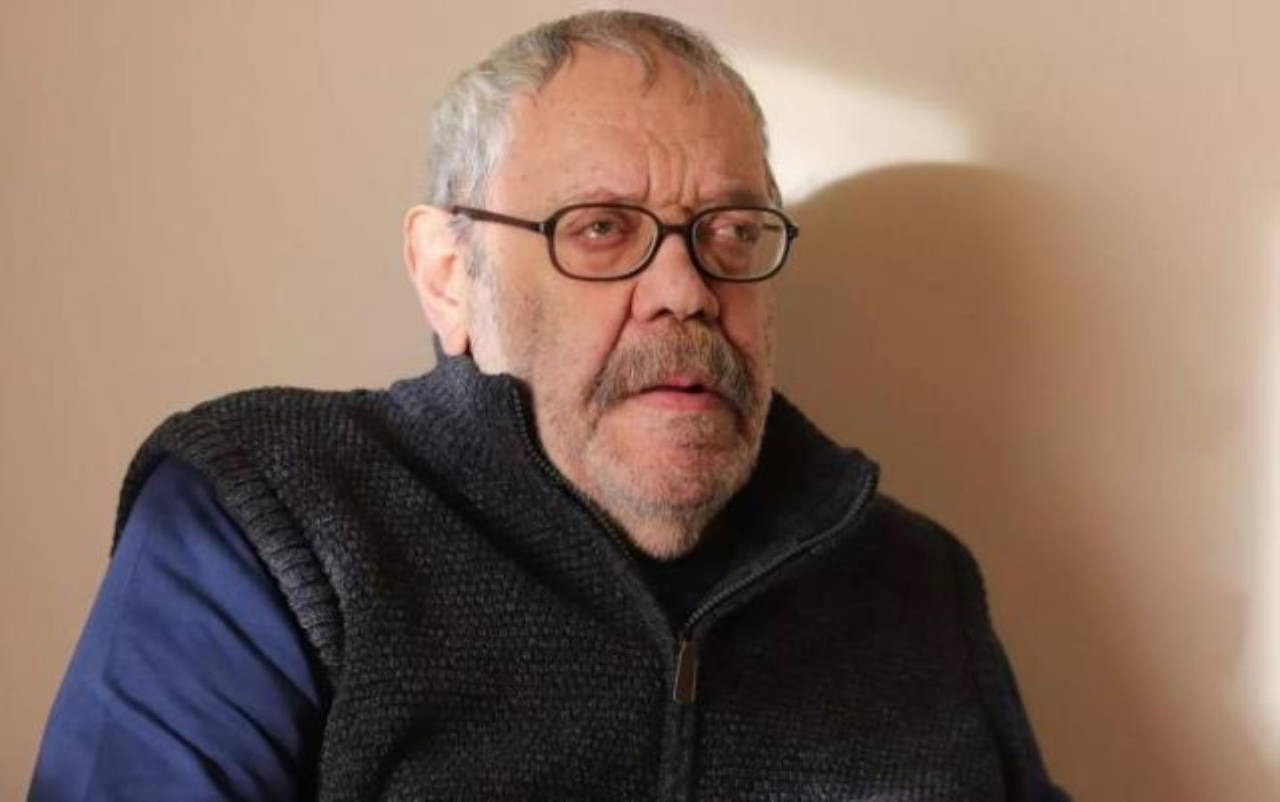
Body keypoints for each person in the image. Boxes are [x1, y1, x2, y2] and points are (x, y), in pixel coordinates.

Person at [29, 10, 1069, 801]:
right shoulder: (270, 511)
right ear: (449, 276)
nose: (685, 290)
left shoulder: (913, 580)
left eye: (730, 232)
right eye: (602, 228)